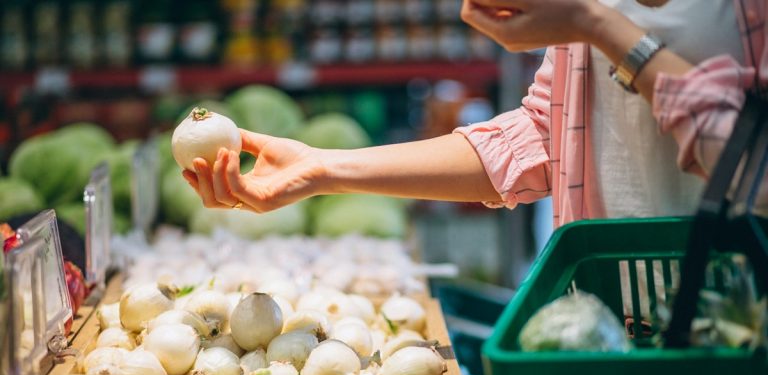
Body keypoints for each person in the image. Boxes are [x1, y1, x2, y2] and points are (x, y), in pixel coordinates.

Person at [183, 0, 767, 230]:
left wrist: (599, 29)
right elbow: (540, 136)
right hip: (610, 320)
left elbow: (754, 172)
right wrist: (324, 169)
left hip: (740, 327)